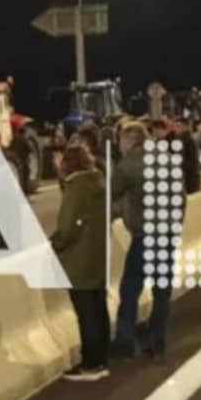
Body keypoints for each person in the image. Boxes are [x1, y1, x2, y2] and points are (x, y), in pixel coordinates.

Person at [111, 121, 176, 361]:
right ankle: (157, 341)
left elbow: (110, 197)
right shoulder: (167, 159)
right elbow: (180, 198)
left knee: (130, 289)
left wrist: (119, 211)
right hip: (166, 233)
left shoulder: (127, 166)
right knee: (162, 291)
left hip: (144, 236)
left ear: (128, 141)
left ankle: (124, 341)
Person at [52, 144, 110, 381]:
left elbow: (66, 229)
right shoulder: (98, 182)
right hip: (98, 255)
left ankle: (91, 364)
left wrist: (53, 245)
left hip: (79, 259)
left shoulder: (76, 188)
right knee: (98, 308)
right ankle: (103, 356)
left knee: (85, 314)